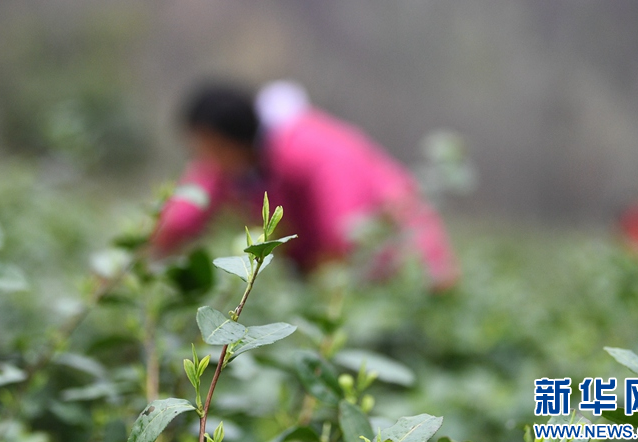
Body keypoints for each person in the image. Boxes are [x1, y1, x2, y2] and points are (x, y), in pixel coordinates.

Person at [152, 80, 459, 291]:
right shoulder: (233, 164)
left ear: (224, 139)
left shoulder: (312, 147)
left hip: (398, 251)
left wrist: (315, 289)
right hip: (327, 271)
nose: (204, 158)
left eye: (207, 147)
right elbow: (184, 213)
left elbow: (346, 232)